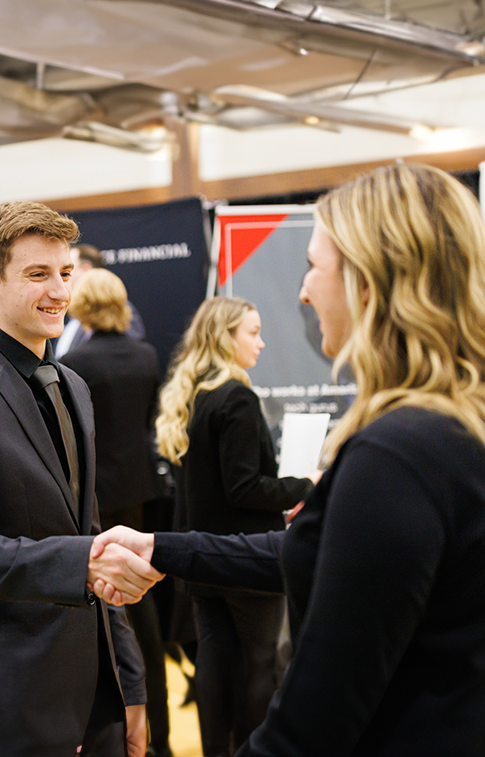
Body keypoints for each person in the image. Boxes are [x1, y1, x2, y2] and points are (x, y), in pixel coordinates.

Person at [93, 164, 485, 756]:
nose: (304, 291)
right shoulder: (476, 421)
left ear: (371, 281)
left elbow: (312, 726)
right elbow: (342, 554)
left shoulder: (397, 454)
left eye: (315, 265)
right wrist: (166, 549)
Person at [0, 201, 158, 757]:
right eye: (38, 274)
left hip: (91, 694)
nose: (59, 292)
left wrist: (130, 684)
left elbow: (88, 531)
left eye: (65, 273)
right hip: (4, 700)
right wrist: (82, 561)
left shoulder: (75, 385)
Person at [154, 295, 314, 757]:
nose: (262, 343)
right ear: (225, 337)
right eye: (253, 332)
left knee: (215, 660)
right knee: (259, 663)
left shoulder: (192, 393)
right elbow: (244, 488)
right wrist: (307, 485)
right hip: (245, 558)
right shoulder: (237, 397)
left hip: (201, 557)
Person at [61, 269, 172, 757]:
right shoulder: (146, 355)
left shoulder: (74, 363)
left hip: (97, 501)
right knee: (142, 611)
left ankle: (111, 730)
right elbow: (149, 423)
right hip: (139, 493)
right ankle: (161, 737)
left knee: (111, 604)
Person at [54, 244, 146, 358]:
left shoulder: (118, 308)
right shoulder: (70, 311)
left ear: (86, 270)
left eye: (67, 271)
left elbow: (128, 356)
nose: (62, 277)